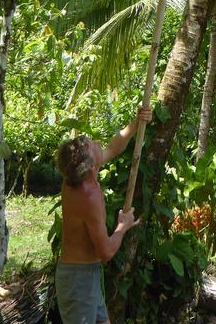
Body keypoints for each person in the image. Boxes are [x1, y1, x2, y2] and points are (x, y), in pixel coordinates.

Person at [55, 107, 152, 324]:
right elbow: (106, 251)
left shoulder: (79, 176)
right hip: (77, 280)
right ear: (90, 166)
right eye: (92, 145)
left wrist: (137, 122)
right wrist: (123, 226)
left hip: (86, 275)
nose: (96, 143)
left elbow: (112, 147)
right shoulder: (87, 196)